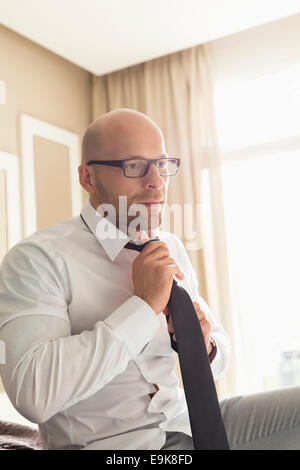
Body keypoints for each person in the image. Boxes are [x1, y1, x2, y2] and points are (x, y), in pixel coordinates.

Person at [0, 108, 300, 450]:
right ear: (87, 178)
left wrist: (205, 346)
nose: (156, 180)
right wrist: (142, 309)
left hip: (190, 421)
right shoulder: (37, 259)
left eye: (161, 164)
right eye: (134, 166)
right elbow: (32, 393)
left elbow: (219, 354)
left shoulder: (168, 246)